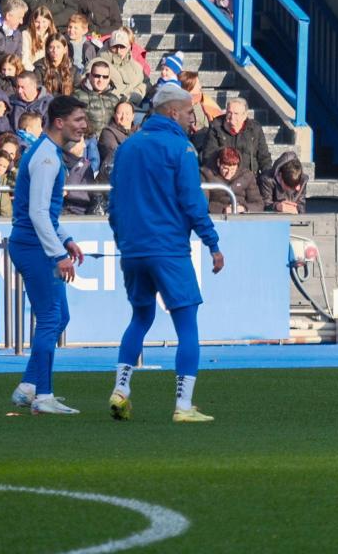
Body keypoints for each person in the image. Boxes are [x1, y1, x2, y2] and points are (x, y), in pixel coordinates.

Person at [106, 83, 225, 423]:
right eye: (190, 112)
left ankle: (121, 389)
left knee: (140, 318)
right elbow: (192, 203)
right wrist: (212, 243)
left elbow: (114, 206)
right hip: (169, 250)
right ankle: (183, 406)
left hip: (133, 250)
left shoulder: (128, 148)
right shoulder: (180, 148)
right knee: (187, 325)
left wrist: (123, 239)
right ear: (174, 112)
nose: (193, 118)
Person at [7, 95, 90, 416]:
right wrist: (58, 254)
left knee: (59, 317)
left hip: (37, 244)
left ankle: (28, 387)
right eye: (78, 120)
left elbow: (46, 214)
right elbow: (39, 214)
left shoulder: (48, 153)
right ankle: (43, 396)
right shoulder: (47, 159)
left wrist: (65, 239)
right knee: (51, 319)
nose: (84, 125)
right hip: (34, 247)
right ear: (59, 122)